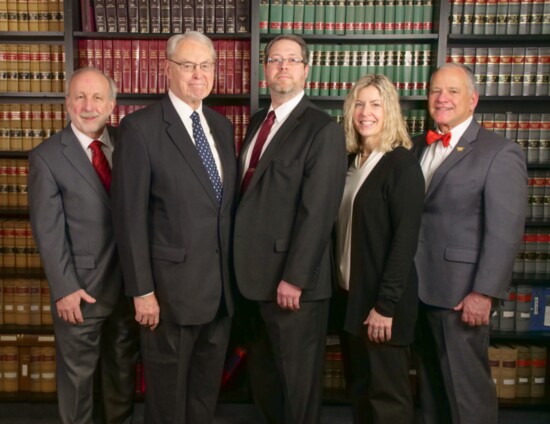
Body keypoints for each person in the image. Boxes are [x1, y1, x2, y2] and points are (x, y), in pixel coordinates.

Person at [110, 32, 236, 424]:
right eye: (188, 65)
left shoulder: (222, 126)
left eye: (206, 66)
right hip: (167, 298)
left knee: (203, 400)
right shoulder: (140, 129)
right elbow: (128, 218)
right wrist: (142, 292)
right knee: (167, 406)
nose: (198, 74)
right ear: (167, 69)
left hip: (220, 296)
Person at [233, 34, 347, 424]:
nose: (283, 66)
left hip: (292, 288)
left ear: (306, 70)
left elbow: (319, 213)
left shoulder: (322, 130)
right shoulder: (256, 123)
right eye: (275, 59)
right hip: (252, 283)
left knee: (298, 394)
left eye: (292, 60)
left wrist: (295, 279)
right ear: (265, 69)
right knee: (266, 385)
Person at [413, 63, 527, 424]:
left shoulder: (499, 152)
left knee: (467, 396)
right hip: (415, 290)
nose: (442, 98)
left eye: (452, 92)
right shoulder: (416, 146)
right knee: (429, 392)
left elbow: (505, 230)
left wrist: (484, 293)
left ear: (473, 100)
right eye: (435, 91)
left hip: (461, 294)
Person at [27, 67, 139, 424]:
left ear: (112, 104)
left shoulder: (130, 145)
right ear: (66, 103)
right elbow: (48, 230)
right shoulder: (46, 157)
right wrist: (64, 289)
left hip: (127, 288)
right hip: (80, 293)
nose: (88, 106)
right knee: (78, 383)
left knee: (121, 378)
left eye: (97, 97)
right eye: (79, 97)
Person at [336, 74, 425, 423]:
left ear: (389, 111)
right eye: (359, 103)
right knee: (359, 392)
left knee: (388, 399)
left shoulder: (401, 165)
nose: (365, 112)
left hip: (383, 306)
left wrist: (385, 306)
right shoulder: (351, 163)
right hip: (351, 300)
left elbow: (405, 242)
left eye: (375, 104)